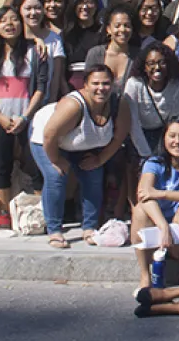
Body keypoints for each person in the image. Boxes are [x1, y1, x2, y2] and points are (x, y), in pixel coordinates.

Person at [30, 65, 131, 248]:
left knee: (93, 174)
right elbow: (49, 135)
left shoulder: (119, 104)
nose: (101, 88)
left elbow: (119, 138)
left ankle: (90, 227)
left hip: (84, 144)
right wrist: (56, 160)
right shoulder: (73, 105)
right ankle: (54, 230)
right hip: (47, 139)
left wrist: (99, 159)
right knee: (56, 176)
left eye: (106, 83)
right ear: (85, 85)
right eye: (95, 83)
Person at [0, 5, 48, 227]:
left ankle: (40, 210)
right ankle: (3, 212)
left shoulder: (34, 52)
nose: (9, 25)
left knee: (34, 164)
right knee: (2, 167)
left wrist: (25, 117)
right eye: (4, 21)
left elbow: (40, 87)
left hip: (26, 118)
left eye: (14, 20)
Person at [131, 116, 179, 285]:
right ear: (164, 138)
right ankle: (145, 275)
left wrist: (162, 194)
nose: (177, 141)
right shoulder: (154, 163)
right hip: (155, 232)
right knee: (139, 210)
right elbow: (143, 194)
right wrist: (163, 226)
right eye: (172, 136)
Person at [124, 43, 179, 159]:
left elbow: (176, 118)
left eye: (162, 62)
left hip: (165, 132)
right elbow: (133, 122)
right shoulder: (134, 84)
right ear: (144, 67)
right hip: (139, 133)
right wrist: (146, 154)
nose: (157, 67)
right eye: (151, 63)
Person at [19, 0, 65, 99]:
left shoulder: (54, 39)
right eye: (28, 8)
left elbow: (56, 76)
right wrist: (35, 40)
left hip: (44, 100)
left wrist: (51, 101)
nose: (33, 13)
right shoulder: (15, 38)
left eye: (37, 8)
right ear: (19, 10)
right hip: (18, 100)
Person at [84, 4, 137, 93]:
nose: (122, 29)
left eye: (127, 25)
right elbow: (88, 87)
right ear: (108, 29)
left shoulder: (138, 56)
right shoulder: (95, 54)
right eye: (117, 25)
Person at [61, 0, 102, 92]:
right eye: (80, 2)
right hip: (71, 87)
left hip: (97, 86)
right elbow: (60, 70)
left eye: (89, 2)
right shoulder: (66, 35)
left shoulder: (103, 32)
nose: (85, 7)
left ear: (96, 6)